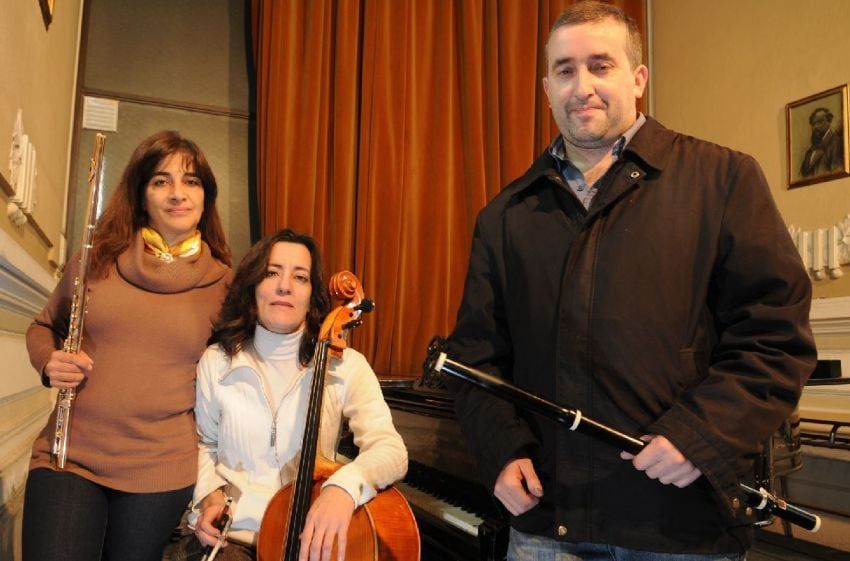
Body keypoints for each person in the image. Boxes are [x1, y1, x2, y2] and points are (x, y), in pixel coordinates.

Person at [447, 2, 816, 560]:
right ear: (546, 87)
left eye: (601, 65)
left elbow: (775, 338)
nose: (583, 86)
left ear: (638, 79)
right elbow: (475, 359)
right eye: (565, 70)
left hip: (677, 526)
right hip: (548, 525)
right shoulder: (505, 215)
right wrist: (501, 449)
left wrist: (700, 436)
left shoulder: (723, 180)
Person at [23, 130, 233, 561]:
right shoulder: (96, 257)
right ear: (141, 196)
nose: (178, 193)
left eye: (191, 182)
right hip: (70, 454)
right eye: (161, 181)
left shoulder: (225, 285)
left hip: (160, 469)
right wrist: (49, 361)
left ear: (205, 197)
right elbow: (43, 327)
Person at [178, 229, 406, 561]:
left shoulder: (347, 367)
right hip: (233, 538)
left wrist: (345, 487)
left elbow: (391, 449)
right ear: (253, 287)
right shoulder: (219, 361)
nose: (285, 286)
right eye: (272, 273)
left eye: (300, 277)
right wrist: (209, 496)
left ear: (312, 296)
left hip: (309, 538)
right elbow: (205, 444)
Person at [800, 107, 845, 177]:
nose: (816, 126)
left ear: (829, 122)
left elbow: (838, 174)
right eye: (813, 124)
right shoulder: (809, 152)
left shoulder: (836, 142)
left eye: (820, 122)